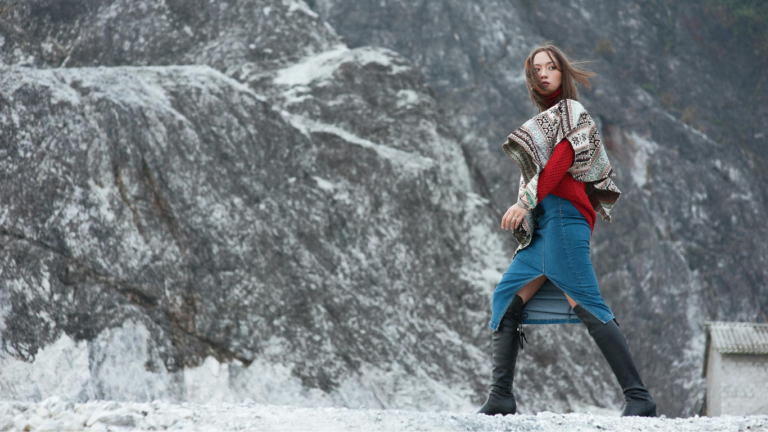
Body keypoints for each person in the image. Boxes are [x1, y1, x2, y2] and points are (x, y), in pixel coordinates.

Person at [477, 43, 656, 417]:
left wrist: (524, 202)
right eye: (536, 69)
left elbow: (560, 163)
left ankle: (639, 398)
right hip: (544, 227)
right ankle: (500, 397)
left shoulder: (572, 112)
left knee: (588, 305)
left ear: (563, 72)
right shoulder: (543, 122)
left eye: (551, 67)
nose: (543, 73)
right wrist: (531, 208)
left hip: (564, 222)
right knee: (505, 299)